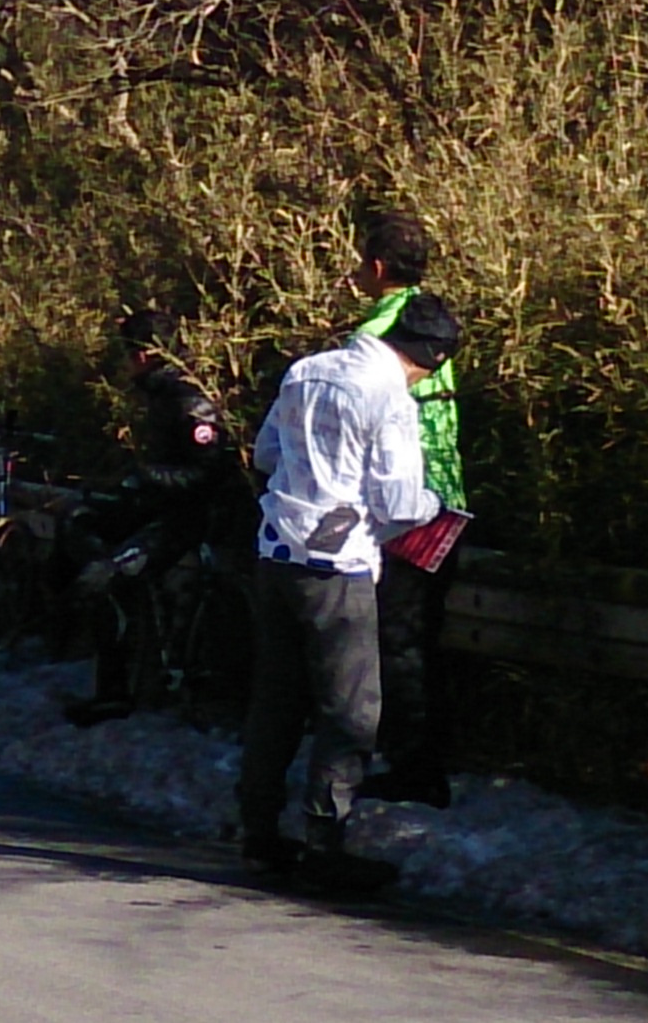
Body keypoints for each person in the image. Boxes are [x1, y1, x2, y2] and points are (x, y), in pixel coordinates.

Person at [237, 290, 457, 895]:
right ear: (430, 361)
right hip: (339, 568)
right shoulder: (391, 399)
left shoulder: (307, 371)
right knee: (350, 713)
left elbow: (265, 454)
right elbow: (397, 503)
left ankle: (258, 836)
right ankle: (323, 846)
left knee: (275, 703)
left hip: (275, 555)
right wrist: (435, 508)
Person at [65, 307, 242, 727]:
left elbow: (209, 472)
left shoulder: (186, 399)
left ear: (143, 355)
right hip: (162, 508)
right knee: (83, 523)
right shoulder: (161, 393)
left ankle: (121, 690)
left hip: (187, 518)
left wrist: (146, 478)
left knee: (109, 573)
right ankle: (122, 676)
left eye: (128, 355)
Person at [344, 209, 467, 803]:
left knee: (396, 637)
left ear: (374, 266)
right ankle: (429, 756)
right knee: (424, 634)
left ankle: (413, 766)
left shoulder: (379, 333)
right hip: (449, 497)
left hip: (403, 503)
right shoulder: (432, 318)